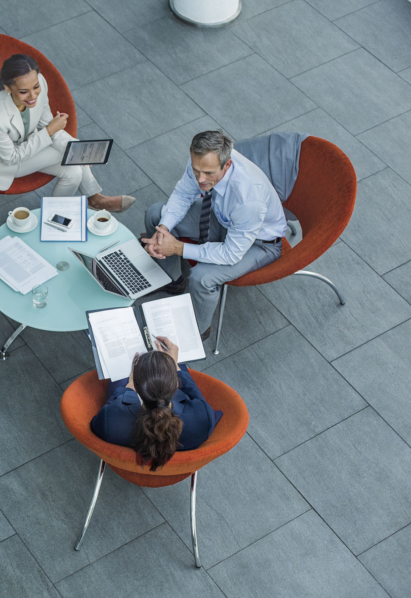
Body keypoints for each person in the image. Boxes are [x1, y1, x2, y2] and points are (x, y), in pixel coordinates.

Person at [142, 130, 286, 339]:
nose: (201, 179)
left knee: (202, 277)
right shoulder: (202, 161)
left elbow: (231, 254)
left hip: (259, 243)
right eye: (196, 170)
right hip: (223, 217)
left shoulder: (248, 198)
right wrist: (164, 228)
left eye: (208, 173)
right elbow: (183, 194)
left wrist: (178, 248)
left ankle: (198, 330)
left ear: (227, 165)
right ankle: (172, 280)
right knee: (156, 214)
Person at [0, 54, 134, 213]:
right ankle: (96, 199)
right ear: (8, 88)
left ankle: (53, 218)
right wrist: (75, 149)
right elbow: (11, 157)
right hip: (2, 162)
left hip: (28, 144)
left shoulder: (40, 82)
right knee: (71, 156)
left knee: (74, 172)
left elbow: (46, 124)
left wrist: (74, 146)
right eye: (24, 92)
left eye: (35, 87)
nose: (33, 96)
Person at [90, 337, 221, 470]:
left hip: (125, 467)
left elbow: (96, 426)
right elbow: (194, 393)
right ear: (176, 385)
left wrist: (129, 387)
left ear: (138, 388)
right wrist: (174, 365)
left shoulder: (109, 420)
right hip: (177, 471)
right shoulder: (203, 417)